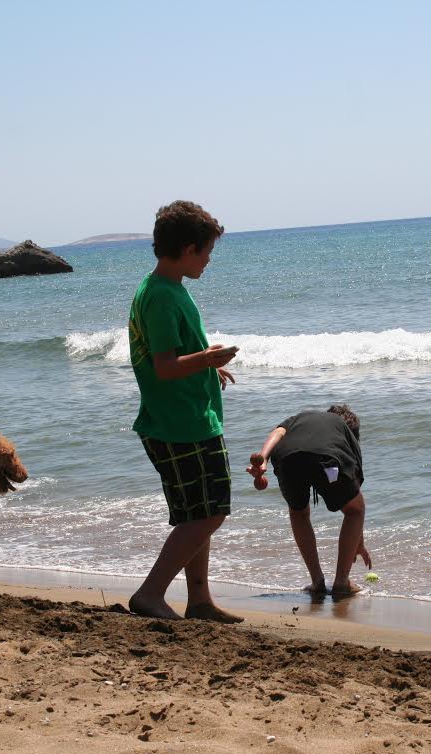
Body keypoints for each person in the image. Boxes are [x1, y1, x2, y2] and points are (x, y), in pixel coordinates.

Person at [126, 200, 242, 623]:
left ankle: (199, 601)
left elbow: (177, 357)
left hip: (185, 416)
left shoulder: (167, 289)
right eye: (208, 251)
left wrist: (207, 364)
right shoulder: (160, 296)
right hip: (180, 423)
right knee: (210, 513)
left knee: (198, 514)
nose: (210, 260)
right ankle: (151, 593)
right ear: (189, 248)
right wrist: (207, 360)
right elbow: (164, 366)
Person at [247, 405, 372, 596]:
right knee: (355, 511)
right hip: (328, 461)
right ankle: (341, 583)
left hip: (286, 459)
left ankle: (317, 582)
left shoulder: (303, 417)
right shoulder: (344, 433)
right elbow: (355, 500)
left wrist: (263, 458)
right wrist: (359, 544)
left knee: (299, 513)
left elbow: (278, 432)